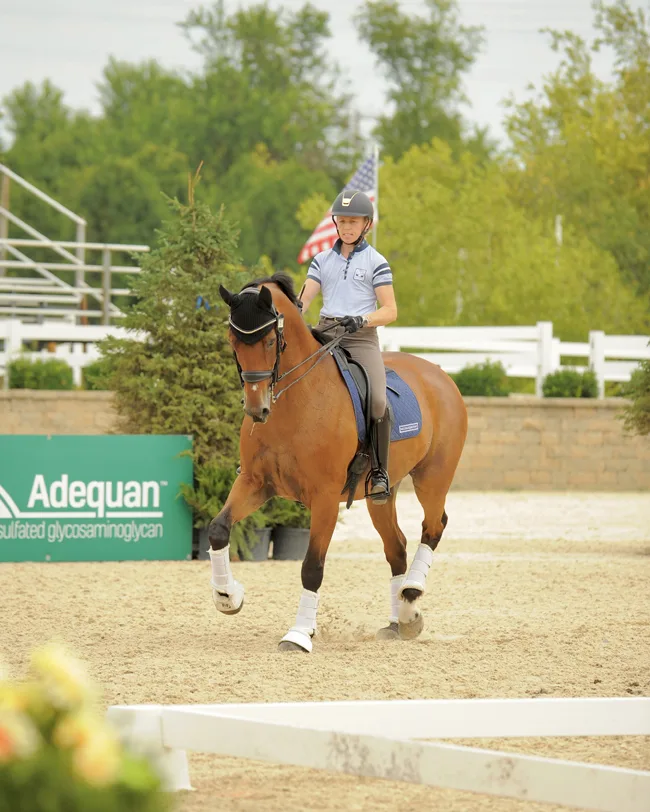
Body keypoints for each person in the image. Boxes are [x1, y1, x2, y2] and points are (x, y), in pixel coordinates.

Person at [298, 189, 398, 504]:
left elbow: (391, 311)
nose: (346, 227)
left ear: (366, 224)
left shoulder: (376, 262)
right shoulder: (321, 260)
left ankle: (379, 471)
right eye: (342, 221)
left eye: (353, 222)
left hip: (360, 337)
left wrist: (363, 319)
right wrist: (291, 314)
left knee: (378, 400)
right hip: (326, 332)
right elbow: (303, 300)